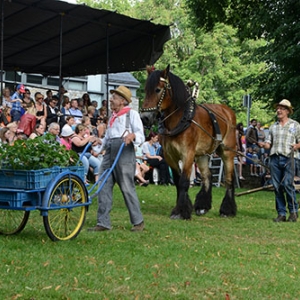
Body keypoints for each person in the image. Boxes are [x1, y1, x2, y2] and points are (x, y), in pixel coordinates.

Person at [88, 85, 145, 232]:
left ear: (123, 101)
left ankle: (138, 222)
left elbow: (141, 135)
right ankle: (103, 222)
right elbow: (107, 138)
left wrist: (132, 136)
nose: (111, 100)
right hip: (110, 152)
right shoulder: (113, 117)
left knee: (126, 187)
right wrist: (98, 146)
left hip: (124, 152)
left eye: (114, 98)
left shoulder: (132, 114)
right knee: (103, 185)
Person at [259, 99, 300, 222]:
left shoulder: (295, 125)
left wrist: (297, 146)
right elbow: (268, 144)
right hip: (274, 158)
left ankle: (293, 212)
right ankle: (281, 214)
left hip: (290, 158)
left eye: (282, 108)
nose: (279, 110)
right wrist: (263, 145)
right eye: (278, 108)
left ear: (287, 111)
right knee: (277, 187)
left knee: (287, 184)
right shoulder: (273, 127)